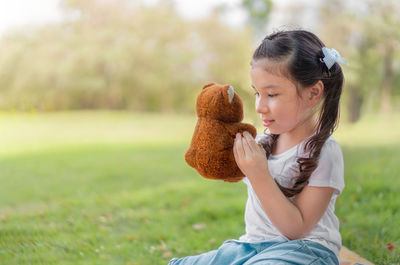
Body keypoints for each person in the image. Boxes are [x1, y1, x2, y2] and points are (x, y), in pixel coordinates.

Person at [168, 29, 346, 265]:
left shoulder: (324, 151)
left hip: (306, 250)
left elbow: (297, 230)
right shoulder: (263, 144)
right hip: (253, 247)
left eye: (271, 94)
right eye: (257, 93)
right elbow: (220, 167)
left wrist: (259, 173)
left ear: (313, 93)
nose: (260, 106)